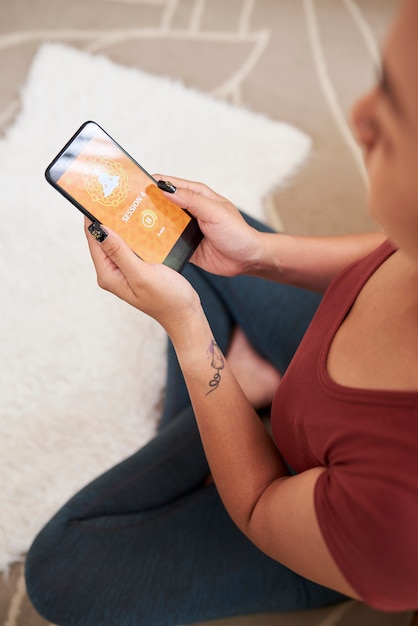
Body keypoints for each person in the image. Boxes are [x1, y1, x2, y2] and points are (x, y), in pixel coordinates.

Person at [25, 0, 418, 623]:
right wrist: (262, 255)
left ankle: (243, 385)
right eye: (382, 83)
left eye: (395, 115)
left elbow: (262, 504)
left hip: (323, 526)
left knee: (61, 570)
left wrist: (193, 341)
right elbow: (397, 246)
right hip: (324, 381)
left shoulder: (399, 521)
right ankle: (252, 386)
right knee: (199, 251)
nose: (357, 118)